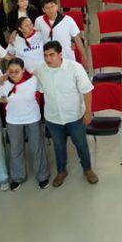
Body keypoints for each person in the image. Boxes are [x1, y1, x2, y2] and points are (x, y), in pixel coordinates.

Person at [35, 41, 97, 187]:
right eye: (45, 55)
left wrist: (88, 112)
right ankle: (61, 171)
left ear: (60, 54)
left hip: (74, 116)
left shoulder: (75, 68)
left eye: (52, 55)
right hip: (53, 118)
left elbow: (87, 90)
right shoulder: (40, 70)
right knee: (58, 146)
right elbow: (26, 80)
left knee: (81, 144)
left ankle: (87, 169)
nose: (48, 59)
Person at [0, 58, 51, 189]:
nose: (13, 74)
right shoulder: (4, 83)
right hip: (13, 120)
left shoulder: (33, 80)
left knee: (37, 147)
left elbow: (45, 88)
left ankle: (42, 175)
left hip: (32, 118)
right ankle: (17, 177)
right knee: (15, 149)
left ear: (23, 70)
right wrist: (6, 98)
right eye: (10, 72)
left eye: (17, 71)